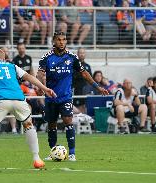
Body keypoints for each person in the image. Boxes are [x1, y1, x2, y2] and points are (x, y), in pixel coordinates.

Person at [37, 32, 108, 161]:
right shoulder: (46, 58)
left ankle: (72, 153)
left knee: (68, 121)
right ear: (54, 41)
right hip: (51, 97)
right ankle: (53, 152)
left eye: (64, 40)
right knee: (52, 125)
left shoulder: (72, 57)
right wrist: (41, 87)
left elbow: (84, 73)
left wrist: (97, 87)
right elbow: (40, 74)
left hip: (66, 97)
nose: (61, 42)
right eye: (59, 40)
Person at [73, 47, 92, 113]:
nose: (82, 54)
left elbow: (90, 79)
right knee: (77, 109)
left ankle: (84, 122)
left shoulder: (88, 66)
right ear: (77, 54)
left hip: (86, 91)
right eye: (80, 53)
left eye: (83, 53)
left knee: (85, 108)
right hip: (76, 90)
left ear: (85, 54)